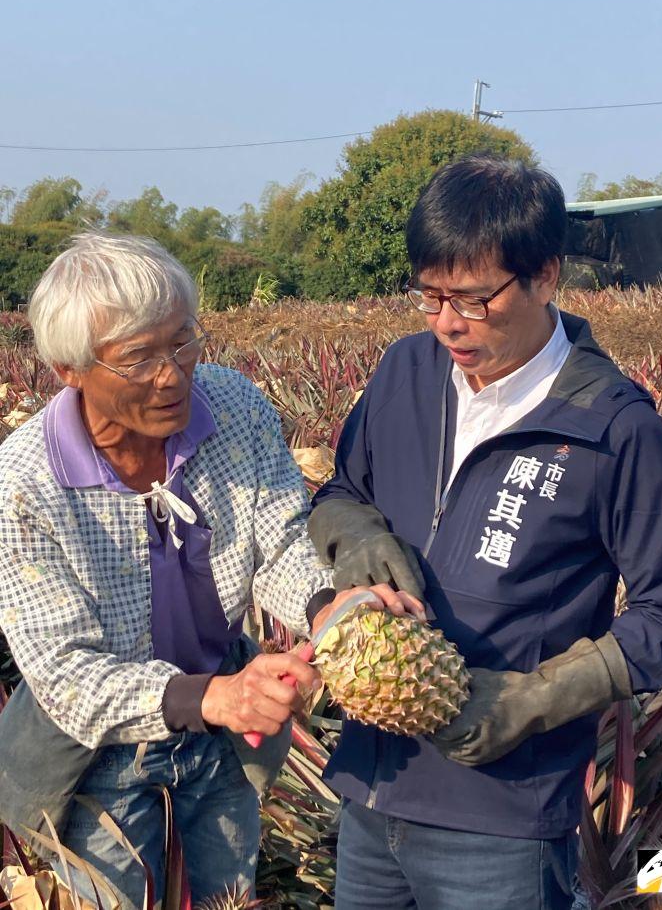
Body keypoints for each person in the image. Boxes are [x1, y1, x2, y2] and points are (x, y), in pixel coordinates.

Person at [309, 155, 662, 910]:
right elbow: (340, 491)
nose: (446, 323)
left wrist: (530, 699)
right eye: (428, 294)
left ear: (545, 276)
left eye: (471, 298)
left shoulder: (616, 429)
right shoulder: (405, 370)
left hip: (502, 822)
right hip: (372, 789)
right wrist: (355, 537)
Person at [0, 232, 416, 910]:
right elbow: (64, 673)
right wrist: (213, 697)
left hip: (223, 737)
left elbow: (280, 542)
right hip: (97, 753)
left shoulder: (234, 408)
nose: (172, 374)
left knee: (229, 897)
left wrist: (325, 606)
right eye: (138, 358)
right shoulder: (24, 484)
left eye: (183, 341)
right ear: (69, 368)